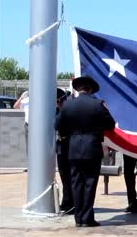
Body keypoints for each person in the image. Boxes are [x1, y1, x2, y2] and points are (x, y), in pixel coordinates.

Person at [55, 76, 116, 227]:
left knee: (76, 183)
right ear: (90, 89)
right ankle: (87, 218)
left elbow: (57, 125)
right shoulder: (98, 105)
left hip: (73, 147)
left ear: (78, 89)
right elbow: (110, 125)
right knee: (89, 183)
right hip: (92, 147)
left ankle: (78, 218)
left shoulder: (67, 105)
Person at [55, 88, 74, 214]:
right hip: (61, 144)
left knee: (69, 176)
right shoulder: (57, 110)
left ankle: (70, 202)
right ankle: (66, 201)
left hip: (69, 145)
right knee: (64, 176)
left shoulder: (67, 110)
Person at [13, 90, 29, 172]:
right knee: (28, 146)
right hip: (27, 124)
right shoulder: (25, 100)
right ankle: (30, 165)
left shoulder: (39, 99)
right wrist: (21, 97)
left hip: (37, 126)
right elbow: (15, 106)